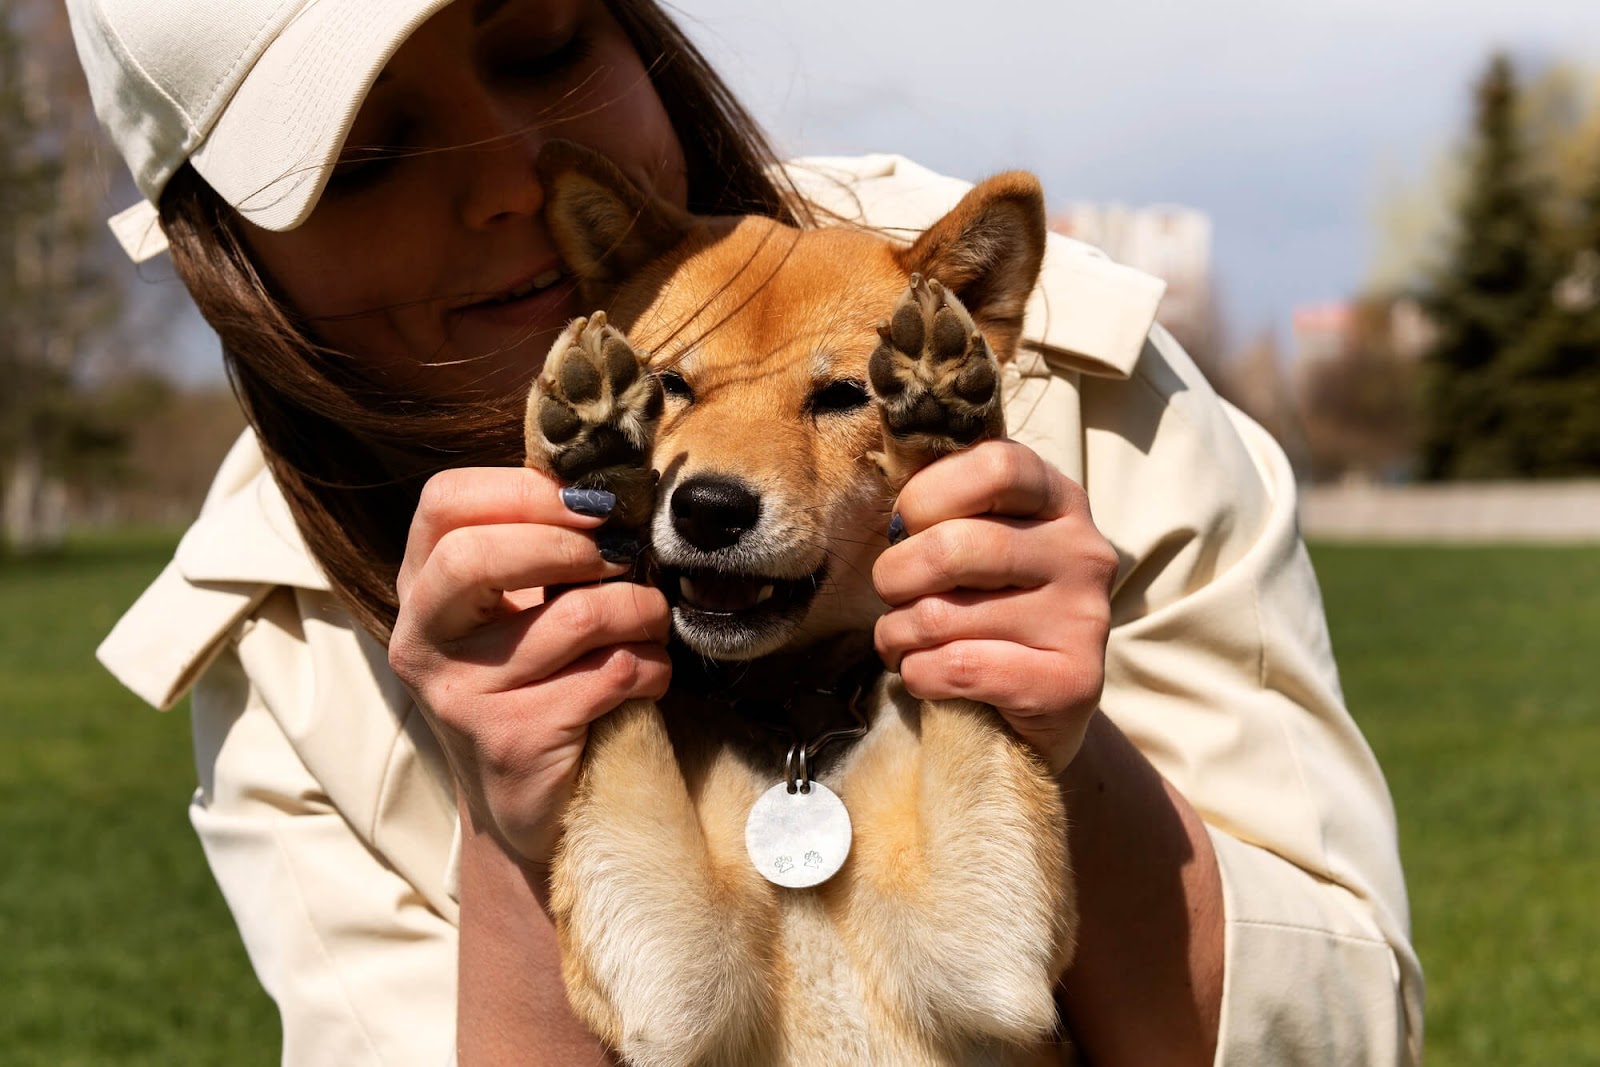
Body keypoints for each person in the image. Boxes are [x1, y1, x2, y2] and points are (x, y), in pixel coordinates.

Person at [69, 0, 1423, 1063]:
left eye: (543, 47)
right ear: (219, 251)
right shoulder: (285, 629)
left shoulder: (1067, 386)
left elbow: (1346, 1044)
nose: (506, 181)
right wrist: (511, 835)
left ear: (643, 35)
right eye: (363, 161)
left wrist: (1046, 738)